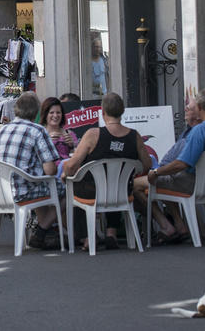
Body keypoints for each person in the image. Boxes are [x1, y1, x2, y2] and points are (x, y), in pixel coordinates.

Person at [134, 88, 205, 244]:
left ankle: (166, 226)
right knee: (167, 180)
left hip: (189, 183)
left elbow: (181, 164)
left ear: (199, 108)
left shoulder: (200, 130)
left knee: (136, 185)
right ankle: (180, 226)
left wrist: (157, 172)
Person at [61, 92, 151, 251]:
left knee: (74, 186)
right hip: (122, 191)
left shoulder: (93, 134)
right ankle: (111, 233)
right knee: (115, 182)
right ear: (122, 111)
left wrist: (65, 174)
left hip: (92, 192)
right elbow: (147, 165)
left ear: (102, 112)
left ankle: (88, 238)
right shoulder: (134, 136)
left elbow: (71, 166)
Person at [0, 92, 61, 249]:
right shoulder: (37, 130)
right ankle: (42, 231)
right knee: (64, 189)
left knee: (37, 183)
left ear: (16, 110)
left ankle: (45, 233)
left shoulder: (1, 130)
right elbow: (50, 170)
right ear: (36, 112)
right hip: (21, 191)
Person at [38, 96, 77, 164]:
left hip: (67, 170)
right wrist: (47, 142)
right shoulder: (39, 133)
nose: (55, 115)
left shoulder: (69, 133)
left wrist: (72, 146)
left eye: (58, 112)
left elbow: (77, 157)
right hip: (47, 172)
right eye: (51, 113)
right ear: (45, 114)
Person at [88, 31, 109, 95]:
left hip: (104, 93)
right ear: (92, 48)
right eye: (96, 47)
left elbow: (108, 76)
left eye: (99, 47)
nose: (98, 49)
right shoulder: (88, 62)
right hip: (92, 94)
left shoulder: (104, 60)